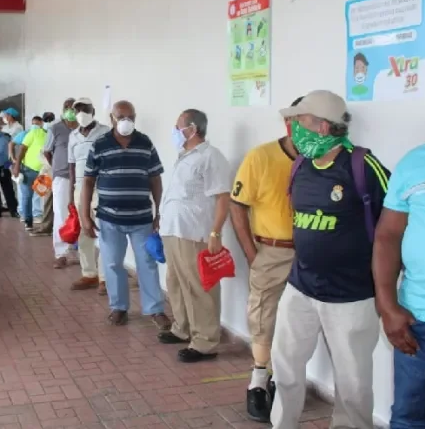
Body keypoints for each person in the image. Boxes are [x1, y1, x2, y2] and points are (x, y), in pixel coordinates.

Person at [271, 90, 391, 429]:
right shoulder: (300, 166)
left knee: (353, 386)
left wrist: (388, 290)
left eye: (299, 122)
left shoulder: (363, 166)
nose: (293, 129)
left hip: (351, 296)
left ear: (323, 127)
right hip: (300, 288)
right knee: (286, 369)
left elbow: (393, 226)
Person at [229, 96, 303, 422]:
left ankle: (285, 380)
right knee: (264, 315)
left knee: (302, 319)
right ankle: (259, 381)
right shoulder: (260, 157)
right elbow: (237, 205)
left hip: (313, 253)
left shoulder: (327, 159)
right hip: (271, 251)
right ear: (290, 124)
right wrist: (250, 253)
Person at [81, 100, 170, 329]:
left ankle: (155, 309)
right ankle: (119, 307)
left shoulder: (145, 143)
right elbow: (88, 180)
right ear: (112, 118)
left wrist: (159, 212)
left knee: (147, 264)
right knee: (112, 264)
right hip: (109, 218)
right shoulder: (100, 144)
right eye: (121, 117)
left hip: (141, 218)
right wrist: (84, 215)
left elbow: (155, 179)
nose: (126, 121)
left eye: (130, 117)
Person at [372, 139, 425, 429]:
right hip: (422, 324)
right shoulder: (416, 161)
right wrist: (388, 306)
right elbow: (388, 235)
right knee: (411, 420)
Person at [157, 109, 231, 363]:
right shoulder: (184, 156)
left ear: (192, 129)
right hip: (173, 230)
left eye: (178, 126)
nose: (174, 131)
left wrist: (215, 232)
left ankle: (205, 342)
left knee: (199, 287)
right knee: (176, 282)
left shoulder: (211, 157)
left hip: (193, 232)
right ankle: (182, 328)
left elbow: (223, 197)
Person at [67, 98, 110, 294]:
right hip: (80, 188)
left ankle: (104, 278)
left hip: (101, 187)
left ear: (93, 110)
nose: (81, 113)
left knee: (103, 232)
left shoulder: (105, 131)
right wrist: (70, 194)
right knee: (84, 231)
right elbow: (71, 165)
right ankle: (89, 274)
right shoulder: (73, 135)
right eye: (78, 110)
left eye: (85, 109)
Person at [43, 98, 79, 268]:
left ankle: (80, 251)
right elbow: (47, 152)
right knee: (61, 214)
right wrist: (58, 167)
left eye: (73, 107)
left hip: (83, 178)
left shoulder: (83, 128)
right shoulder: (55, 128)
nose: (70, 110)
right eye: (67, 107)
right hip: (63, 177)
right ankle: (61, 253)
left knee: (83, 213)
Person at [12, 116, 48, 231]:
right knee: (27, 196)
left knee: (41, 195)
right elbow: (22, 149)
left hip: (43, 171)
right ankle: (28, 221)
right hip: (28, 169)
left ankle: (38, 216)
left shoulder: (49, 134)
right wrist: (17, 165)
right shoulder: (32, 133)